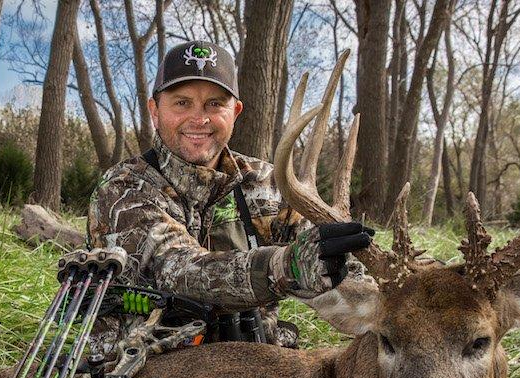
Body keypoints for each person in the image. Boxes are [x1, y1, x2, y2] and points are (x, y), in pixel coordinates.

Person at [87, 40, 372, 347]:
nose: (199, 119)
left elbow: (334, 269)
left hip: (253, 368)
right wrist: (286, 266)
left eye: (215, 104)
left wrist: (376, 289)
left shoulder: (269, 185)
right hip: (143, 375)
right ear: (155, 111)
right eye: (182, 103)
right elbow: (179, 271)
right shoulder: (121, 189)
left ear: (235, 112)